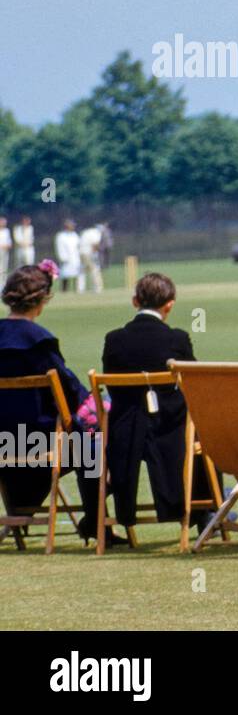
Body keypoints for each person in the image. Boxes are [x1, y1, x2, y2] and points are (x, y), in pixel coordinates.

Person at [0, 261, 121, 545]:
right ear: (42, 300)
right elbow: (71, 394)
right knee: (92, 446)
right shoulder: (39, 340)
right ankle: (94, 521)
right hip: (42, 444)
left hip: (4, 442)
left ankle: (23, 509)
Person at [101, 272, 220, 534]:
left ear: (135, 301)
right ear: (170, 304)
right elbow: (195, 383)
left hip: (124, 431)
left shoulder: (114, 339)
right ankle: (205, 510)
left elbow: (112, 388)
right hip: (169, 430)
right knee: (202, 429)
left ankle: (110, 522)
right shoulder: (176, 339)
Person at [54, 220, 81, 292]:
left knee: (76, 275)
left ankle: (77, 290)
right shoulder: (61, 236)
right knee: (65, 276)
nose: (73, 227)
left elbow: (78, 246)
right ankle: (64, 291)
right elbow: (59, 248)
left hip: (75, 259)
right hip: (66, 260)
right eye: (71, 225)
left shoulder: (75, 235)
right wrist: (62, 258)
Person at [79, 224, 103, 294]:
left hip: (81, 252)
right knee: (94, 269)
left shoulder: (87, 231)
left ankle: (80, 289)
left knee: (82, 270)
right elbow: (95, 245)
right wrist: (95, 255)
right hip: (88, 253)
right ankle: (97, 288)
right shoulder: (97, 233)